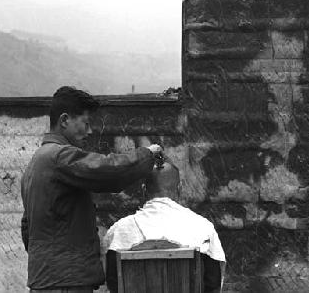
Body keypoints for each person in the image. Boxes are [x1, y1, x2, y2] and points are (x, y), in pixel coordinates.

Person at [20, 86, 163, 293]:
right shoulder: (60, 157)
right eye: (85, 124)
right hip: (66, 283)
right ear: (65, 120)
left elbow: (27, 227)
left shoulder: (36, 163)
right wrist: (147, 154)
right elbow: (108, 171)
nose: (89, 131)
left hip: (47, 279)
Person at [103, 159, 226, 293]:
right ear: (180, 189)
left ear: (144, 190)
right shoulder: (202, 227)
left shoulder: (119, 231)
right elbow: (213, 283)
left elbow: (113, 283)